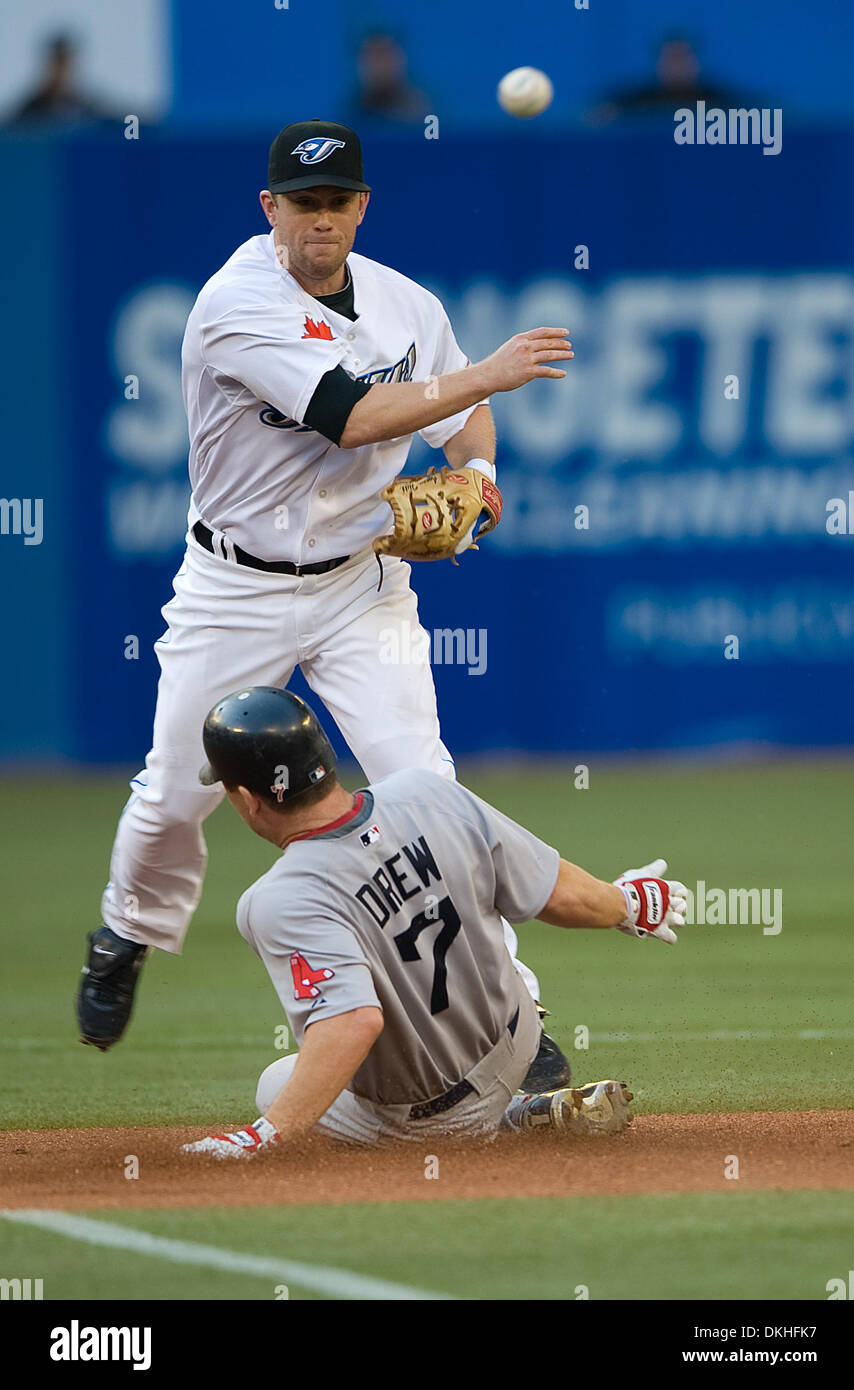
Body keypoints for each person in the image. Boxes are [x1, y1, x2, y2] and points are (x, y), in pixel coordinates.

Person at [76, 117, 576, 1093]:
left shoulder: (404, 301)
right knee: (177, 791)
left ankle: (514, 1015)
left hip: (363, 583)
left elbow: (462, 413)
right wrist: (486, 374)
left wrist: (478, 471)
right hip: (238, 586)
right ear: (271, 208)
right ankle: (128, 929)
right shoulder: (236, 303)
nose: (322, 217)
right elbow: (355, 419)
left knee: (427, 791)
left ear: (361, 205)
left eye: (338, 200)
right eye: (303, 202)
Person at [181, 688, 687, 1157]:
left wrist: (265, 1135)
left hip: (431, 1118)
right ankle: (522, 1107)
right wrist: (629, 904)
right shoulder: (426, 793)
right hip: (520, 1045)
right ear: (323, 757)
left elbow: (352, 1022)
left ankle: (497, 1120)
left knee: (277, 1083)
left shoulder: (278, 898)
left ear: (247, 799)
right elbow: (557, 894)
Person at [590, 34, 744, 124]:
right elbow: (602, 113)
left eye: (682, 58)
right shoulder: (639, 101)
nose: (676, 65)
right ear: (659, 63)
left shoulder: (716, 100)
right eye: (671, 58)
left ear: (695, 63)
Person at [7, 33, 113, 127]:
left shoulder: (90, 108)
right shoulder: (29, 110)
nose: (61, 71)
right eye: (57, 63)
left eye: (65, 63)